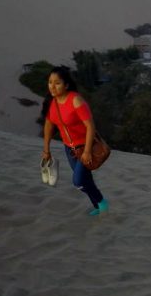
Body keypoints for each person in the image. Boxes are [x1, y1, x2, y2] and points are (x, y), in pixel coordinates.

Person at [41, 67, 109, 216]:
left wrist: (86, 152)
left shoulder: (75, 100)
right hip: (69, 149)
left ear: (66, 85)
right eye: (50, 82)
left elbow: (90, 126)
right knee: (85, 179)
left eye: (57, 83)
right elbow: (48, 125)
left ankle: (102, 202)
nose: (52, 86)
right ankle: (98, 207)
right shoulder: (52, 103)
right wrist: (46, 150)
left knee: (78, 181)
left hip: (85, 146)